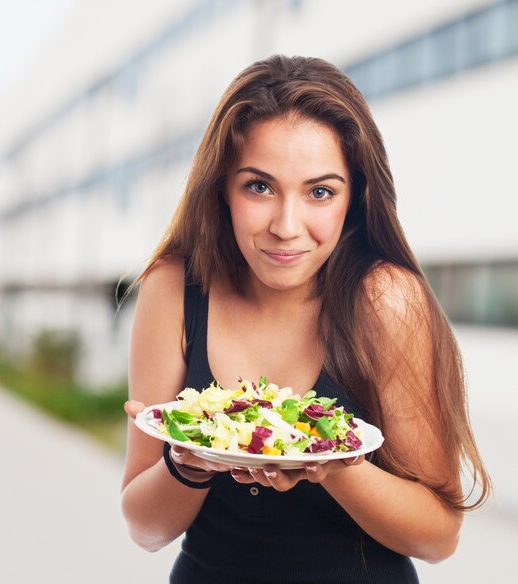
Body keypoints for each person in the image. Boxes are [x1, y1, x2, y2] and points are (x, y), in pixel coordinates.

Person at [120, 55, 491, 583]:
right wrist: (186, 464)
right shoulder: (174, 288)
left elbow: (437, 536)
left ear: (354, 196)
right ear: (222, 187)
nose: (287, 227)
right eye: (259, 187)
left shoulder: (386, 298)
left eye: (320, 192)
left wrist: (335, 467)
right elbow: (145, 529)